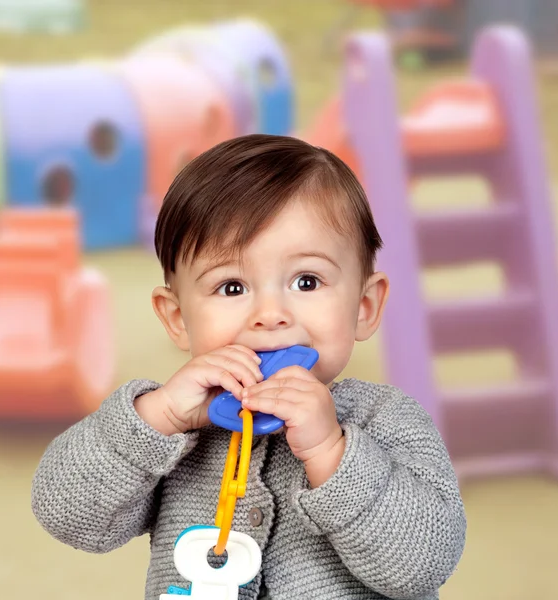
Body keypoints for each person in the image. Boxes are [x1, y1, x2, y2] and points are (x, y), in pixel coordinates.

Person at [32, 134, 466, 599]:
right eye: (232, 287)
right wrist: (157, 417)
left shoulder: (386, 419)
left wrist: (328, 451)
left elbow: (424, 563)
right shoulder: (177, 431)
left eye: (306, 280)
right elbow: (66, 513)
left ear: (364, 305)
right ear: (178, 319)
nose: (271, 314)